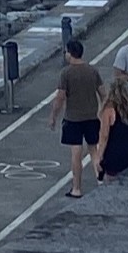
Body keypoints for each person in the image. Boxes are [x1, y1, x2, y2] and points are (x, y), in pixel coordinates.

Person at [49, 38, 104, 198]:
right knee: (94, 150)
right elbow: (103, 93)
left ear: (70, 54)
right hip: (91, 116)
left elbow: (60, 97)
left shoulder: (66, 73)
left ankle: (77, 188)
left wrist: (53, 116)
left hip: (73, 118)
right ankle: (101, 181)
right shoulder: (92, 71)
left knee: (76, 153)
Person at [95, 72, 128, 181]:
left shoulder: (109, 111)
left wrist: (99, 156)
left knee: (112, 185)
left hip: (115, 154)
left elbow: (104, 135)